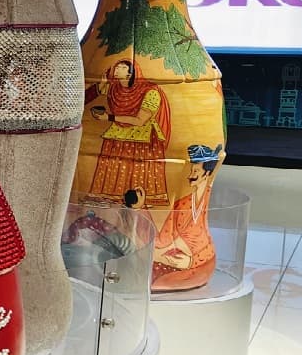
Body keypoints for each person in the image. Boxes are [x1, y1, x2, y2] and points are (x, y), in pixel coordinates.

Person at [85, 58, 171, 206]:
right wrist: (102, 82)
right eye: (116, 67)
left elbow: (140, 120)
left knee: (138, 173)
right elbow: (87, 95)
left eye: (122, 68)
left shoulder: (150, 92)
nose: (116, 70)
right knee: (112, 171)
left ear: (131, 73)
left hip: (142, 139)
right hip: (117, 135)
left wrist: (109, 117)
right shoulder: (114, 88)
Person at [151, 144, 223, 291]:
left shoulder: (205, 195)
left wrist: (191, 259)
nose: (190, 175)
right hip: (175, 257)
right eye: (191, 170)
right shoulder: (183, 203)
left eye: (196, 171)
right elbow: (164, 238)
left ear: (207, 173)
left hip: (199, 259)